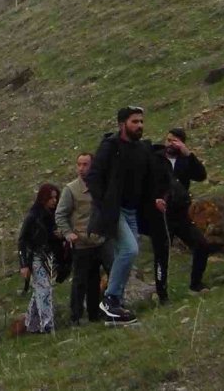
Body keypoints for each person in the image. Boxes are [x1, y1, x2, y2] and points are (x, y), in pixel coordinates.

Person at [87, 106, 165, 325]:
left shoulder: (141, 149)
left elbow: (149, 178)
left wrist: (157, 198)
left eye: (141, 121)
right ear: (122, 124)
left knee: (126, 255)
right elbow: (94, 177)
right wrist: (104, 204)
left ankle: (115, 308)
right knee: (130, 250)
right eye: (134, 122)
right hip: (115, 211)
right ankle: (110, 299)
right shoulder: (110, 147)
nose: (140, 125)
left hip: (132, 211)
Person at [146, 127, 210, 303]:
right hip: (160, 215)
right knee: (162, 255)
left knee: (202, 245)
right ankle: (162, 295)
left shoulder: (185, 160)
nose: (170, 144)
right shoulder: (155, 158)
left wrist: (188, 154)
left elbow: (201, 175)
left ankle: (196, 284)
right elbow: (144, 183)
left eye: (175, 141)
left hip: (181, 214)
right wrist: (153, 199)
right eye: (168, 140)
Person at [55, 152, 114, 325]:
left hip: (102, 239)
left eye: (85, 164)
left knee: (105, 275)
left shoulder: (102, 185)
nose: (81, 168)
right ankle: (76, 316)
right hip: (82, 242)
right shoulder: (71, 189)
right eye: (79, 164)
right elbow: (60, 214)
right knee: (80, 281)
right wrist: (68, 233)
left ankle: (100, 312)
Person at [19, 184, 63, 333]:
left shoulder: (54, 215)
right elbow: (22, 240)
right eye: (51, 198)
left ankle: (31, 324)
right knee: (44, 289)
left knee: (40, 289)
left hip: (49, 257)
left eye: (56, 197)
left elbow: (51, 237)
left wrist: (59, 236)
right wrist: (23, 264)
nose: (54, 201)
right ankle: (47, 325)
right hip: (35, 257)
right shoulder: (33, 216)